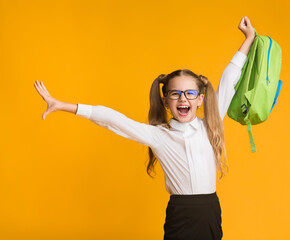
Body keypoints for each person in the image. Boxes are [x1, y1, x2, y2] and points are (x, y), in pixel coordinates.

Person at [34, 16, 255, 240]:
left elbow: (229, 79)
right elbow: (113, 119)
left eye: (189, 93)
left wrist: (248, 39)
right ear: (165, 101)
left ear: (200, 99)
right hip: (181, 215)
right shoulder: (159, 136)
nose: (182, 99)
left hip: (210, 212)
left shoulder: (211, 124)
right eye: (175, 93)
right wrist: (63, 105)